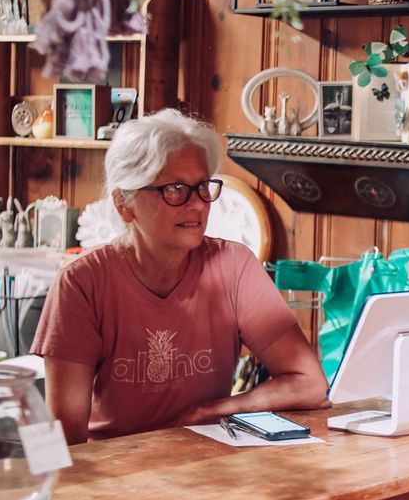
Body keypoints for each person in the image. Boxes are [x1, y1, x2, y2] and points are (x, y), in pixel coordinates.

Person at [32, 109, 328, 443]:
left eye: (203, 187)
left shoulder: (234, 265)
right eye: (175, 189)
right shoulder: (82, 283)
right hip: (115, 475)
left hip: (208, 463)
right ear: (124, 203)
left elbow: (310, 384)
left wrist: (216, 410)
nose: (198, 204)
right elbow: (64, 438)